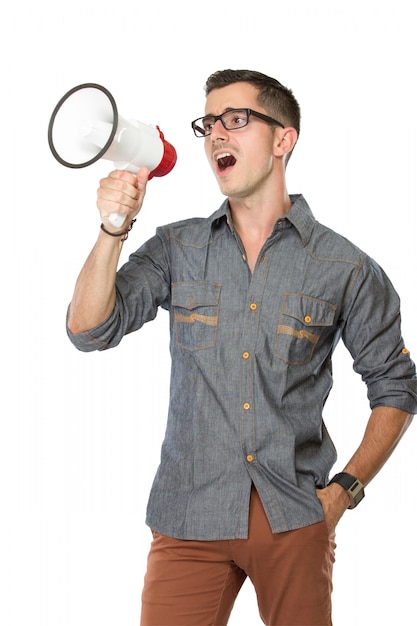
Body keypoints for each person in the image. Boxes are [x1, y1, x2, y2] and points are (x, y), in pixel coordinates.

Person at [66, 69, 417, 626]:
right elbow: (89, 330)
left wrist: (344, 492)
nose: (216, 136)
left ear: (284, 140)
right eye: (209, 124)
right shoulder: (177, 247)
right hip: (188, 516)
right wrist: (114, 227)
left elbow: (395, 387)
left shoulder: (345, 267)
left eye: (236, 120)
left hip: (294, 516)